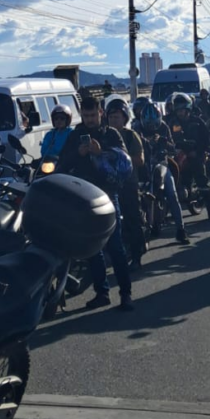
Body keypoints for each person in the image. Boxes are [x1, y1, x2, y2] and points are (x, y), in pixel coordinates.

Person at [57, 96, 135, 311]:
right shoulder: (75, 136)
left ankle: (126, 293)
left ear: (100, 112)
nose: (90, 119)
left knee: (115, 247)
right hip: (83, 199)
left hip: (108, 197)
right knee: (92, 250)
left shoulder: (111, 134)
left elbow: (125, 162)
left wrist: (102, 153)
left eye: (93, 115)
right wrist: (78, 154)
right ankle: (102, 292)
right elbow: (62, 164)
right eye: (86, 115)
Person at [136, 103, 192, 245]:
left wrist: (165, 143)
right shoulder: (136, 128)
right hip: (143, 164)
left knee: (172, 194)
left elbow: (172, 146)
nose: (151, 126)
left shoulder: (164, 127)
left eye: (153, 123)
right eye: (148, 123)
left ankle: (181, 229)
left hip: (161, 163)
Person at [103, 97, 148, 270]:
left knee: (132, 218)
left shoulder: (131, 135)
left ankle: (137, 255)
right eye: (111, 116)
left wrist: (122, 157)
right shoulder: (103, 135)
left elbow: (140, 160)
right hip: (107, 185)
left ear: (125, 118)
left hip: (128, 184)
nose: (114, 120)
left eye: (117, 117)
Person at [165, 93, 210, 220]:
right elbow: (165, 136)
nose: (180, 112)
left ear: (188, 109)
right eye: (178, 110)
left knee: (201, 179)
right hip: (177, 154)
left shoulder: (197, 122)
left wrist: (198, 151)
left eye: (182, 109)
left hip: (194, 154)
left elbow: (206, 138)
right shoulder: (170, 122)